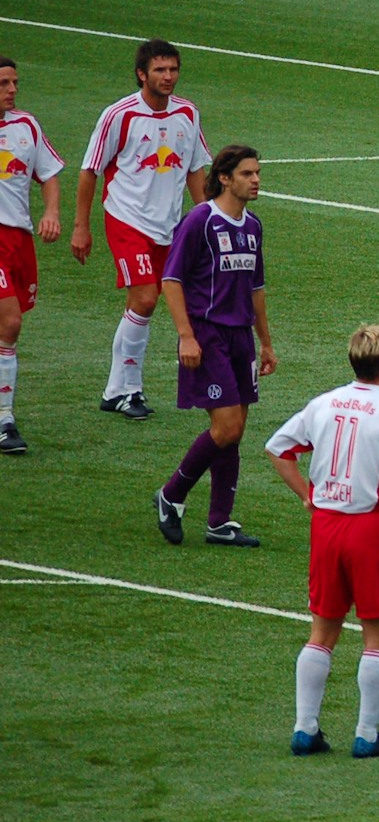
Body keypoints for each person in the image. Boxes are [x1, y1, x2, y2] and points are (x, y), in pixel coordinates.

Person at [267, 324, 379, 759]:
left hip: (326, 528)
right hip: (372, 530)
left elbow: (278, 449)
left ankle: (305, 728)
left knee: (322, 629)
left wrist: (308, 496)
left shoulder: (323, 403)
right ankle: (366, 734)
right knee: (377, 635)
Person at [73, 38, 211, 422]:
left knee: (141, 305)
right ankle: (130, 388)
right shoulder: (120, 115)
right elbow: (90, 171)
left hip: (170, 224)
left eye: (173, 70)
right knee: (147, 298)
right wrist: (81, 226)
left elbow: (196, 168)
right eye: (160, 70)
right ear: (141, 74)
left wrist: (207, 218)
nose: (168, 77)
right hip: (126, 217)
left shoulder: (187, 113)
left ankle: (114, 391)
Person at [152, 145, 275, 547]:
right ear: (224, 177)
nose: (255, 180)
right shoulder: (201, 220)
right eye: (246, 174)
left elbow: (256, 288)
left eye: (257, 173)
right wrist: (186, 335)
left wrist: (266, 344)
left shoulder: (252, 226)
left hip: (240, 337)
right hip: (208, 334)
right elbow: (172, 280)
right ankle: (171, 496)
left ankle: (219, 522)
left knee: (234, 431)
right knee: (226, 426)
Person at [0, 58, 63, 456]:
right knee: (10, 322)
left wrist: (52, 211)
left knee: (7, 326)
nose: (12, 89)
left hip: (18, 240)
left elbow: (50, 174)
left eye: (14, 82)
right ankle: (4, 419)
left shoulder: (27, 126)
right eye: (4, 83)